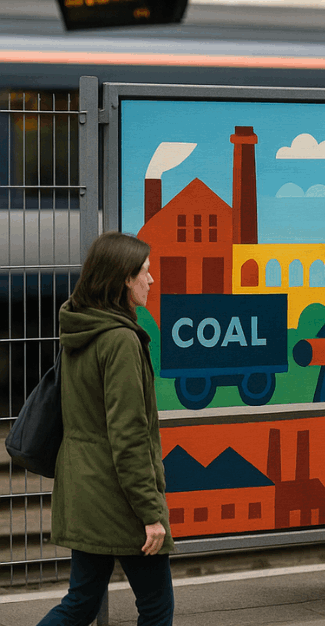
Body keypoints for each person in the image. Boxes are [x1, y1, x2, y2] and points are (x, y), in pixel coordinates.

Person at [40, 231, 174, 625]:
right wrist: (151, 513)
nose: (151, 280)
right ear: (122, 280)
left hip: (83, 489)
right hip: (118, 497)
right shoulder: (120, 341)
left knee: (81, 602)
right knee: (156, 606)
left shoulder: (81, 330)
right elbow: (129, 435)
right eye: (144, 273)